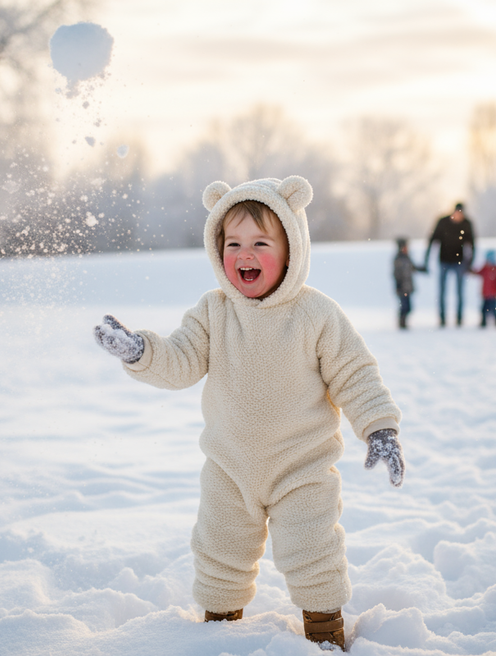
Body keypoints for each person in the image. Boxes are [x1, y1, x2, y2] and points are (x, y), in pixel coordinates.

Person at [92, 176, 404, 651]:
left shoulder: (315, 314)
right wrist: (140, 352)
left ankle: (324, 629)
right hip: (228, 467)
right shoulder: (214, 312)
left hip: (301, 468)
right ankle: (220, 626)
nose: (245, 253)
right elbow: (180, 359)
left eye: (261, 242)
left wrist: (379, 427)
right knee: (219, 551)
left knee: (313, 550)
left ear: (293, 248)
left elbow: (355, 374)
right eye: (232, 242)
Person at [422, 201, 475, 327]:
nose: (459, 216)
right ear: (454, 212)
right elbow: (432, 240)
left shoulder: (466, 224)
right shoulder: (443, 222)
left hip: (459, 262)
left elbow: (472, 244)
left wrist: (470, 262)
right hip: (444, 261)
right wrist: (426, 259)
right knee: (442, 292)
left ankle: (459, 319)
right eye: (457, 213)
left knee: (460, 292)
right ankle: (442, 319)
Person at [471, 249, 496, 328]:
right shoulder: (485, 268)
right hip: (485, 294)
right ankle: (483, 322)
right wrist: (471, 271)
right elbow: (478, 272)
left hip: (494, 294)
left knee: (494, 309)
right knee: (484, 309)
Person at [393, 237, 419, 330]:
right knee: (404, 306)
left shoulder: (407, 258)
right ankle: (402, 322)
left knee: (408, 306)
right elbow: (396, 274)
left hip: (408, 287)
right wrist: (398, 285)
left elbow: (413, 268)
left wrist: (422, 269)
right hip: (402, 287)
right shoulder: (398, 260)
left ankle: (403, 321)